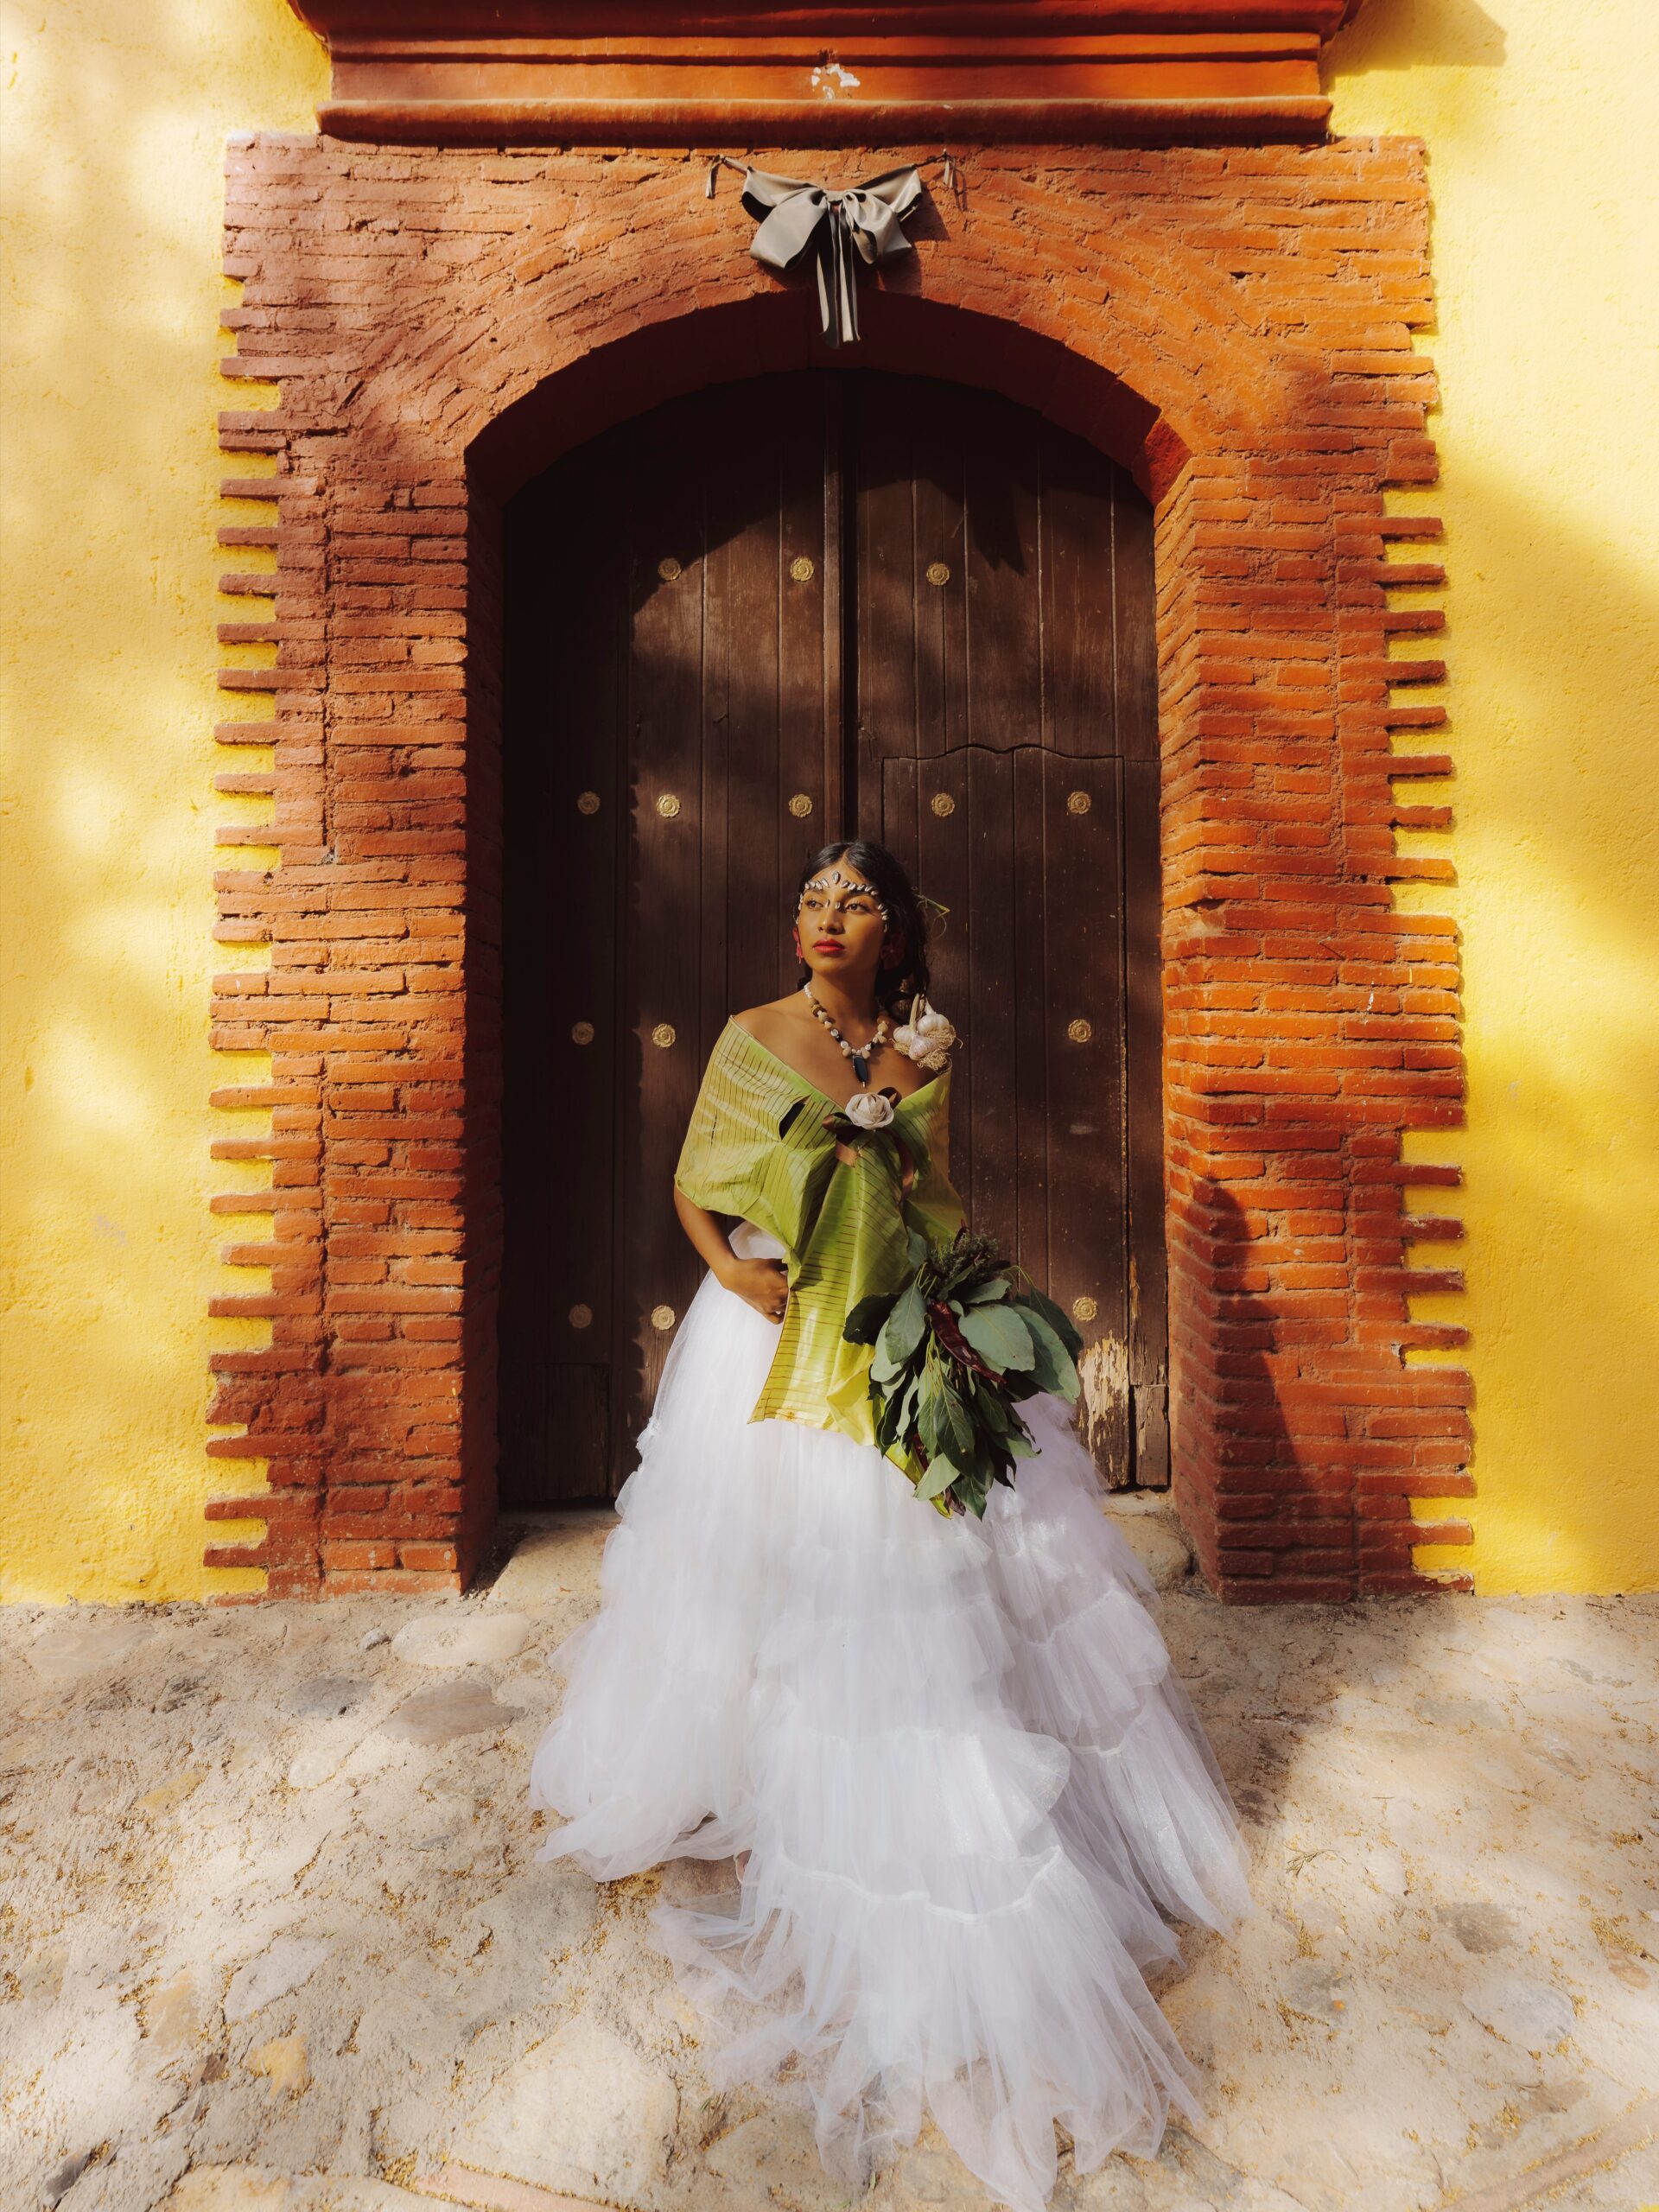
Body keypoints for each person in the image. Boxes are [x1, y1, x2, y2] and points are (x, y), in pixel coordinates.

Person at [528, 839, 1250, 2212]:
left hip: (895, 1328)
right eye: (811, 900)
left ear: (896, 934)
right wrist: (735, 1273)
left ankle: (963, 1799)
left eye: (854, 903)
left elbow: (918, 1196)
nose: (826, 919)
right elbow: (695, 1183)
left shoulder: (921, 1047)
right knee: (779, 1577)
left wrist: (935, 1283)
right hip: (775, 1337)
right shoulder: (752, 1037)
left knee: (950, 1580)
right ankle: (766, 1770)